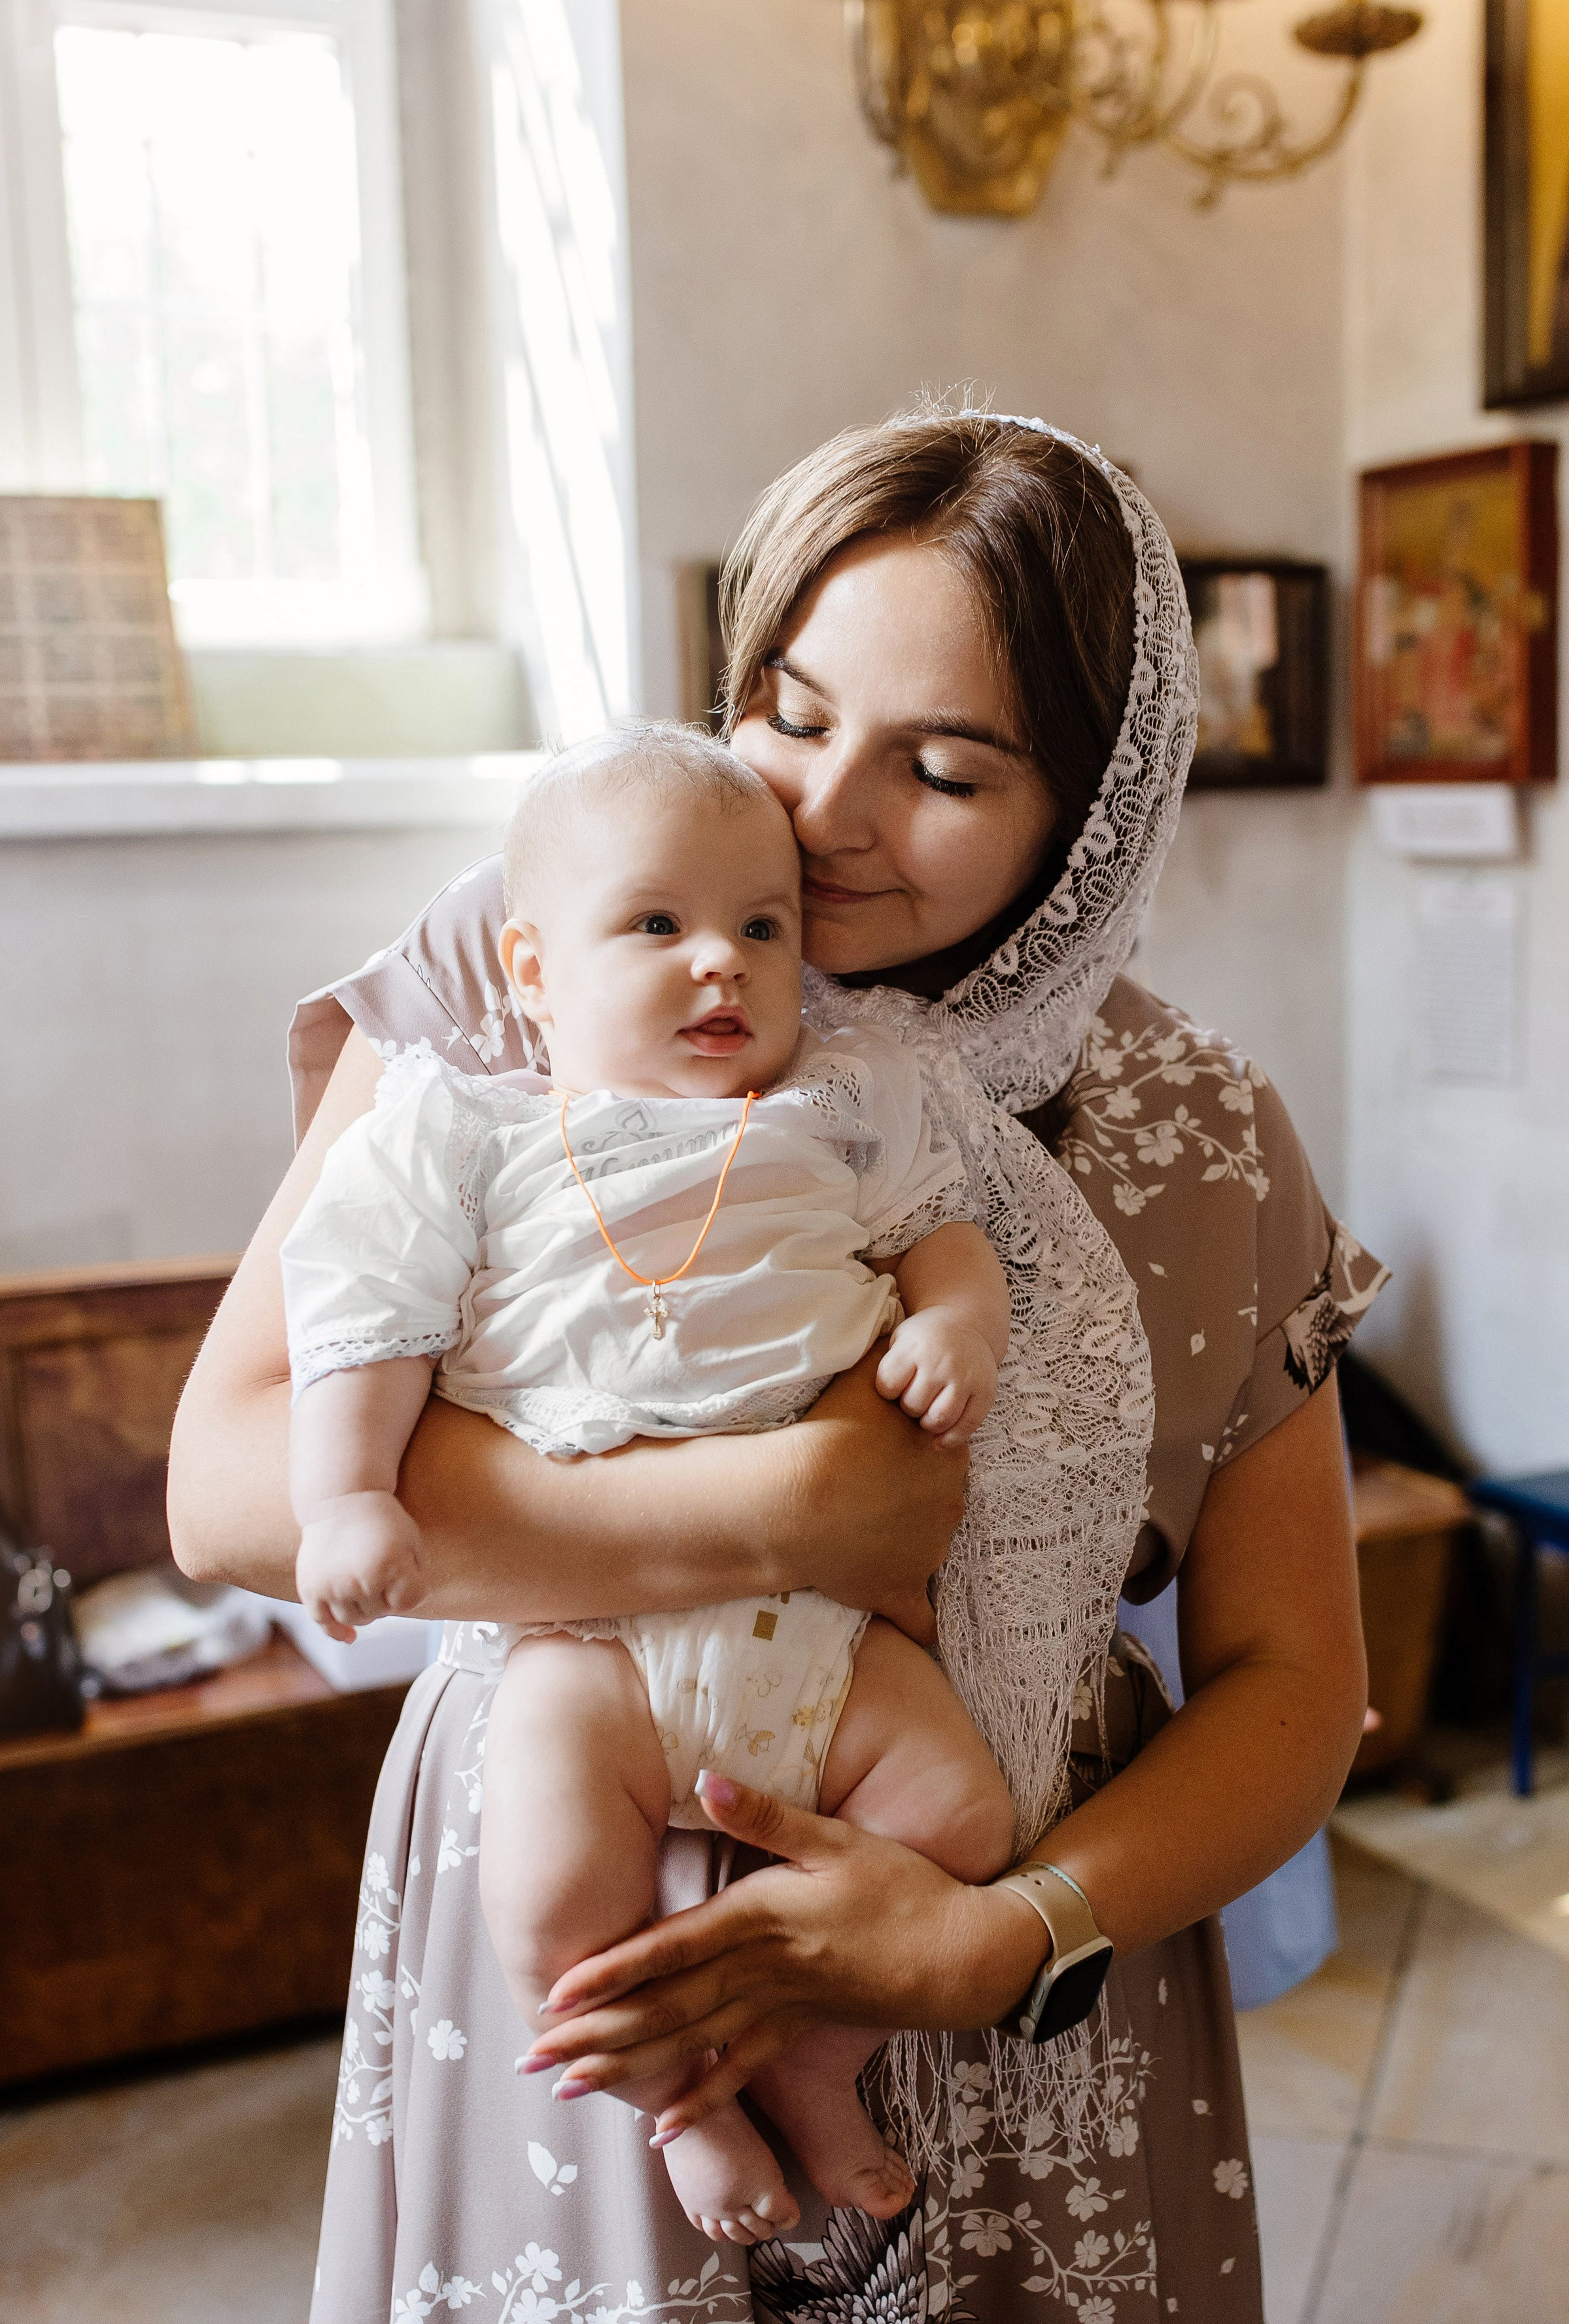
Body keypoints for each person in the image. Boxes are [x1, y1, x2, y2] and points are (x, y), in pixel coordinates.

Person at [169, 408, 1387, 2324]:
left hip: (1026, 1967)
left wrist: (998, 1939)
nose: (824, 814)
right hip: (583, 1951)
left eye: (947, 768)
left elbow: (1299, 1681)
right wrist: (800, 1506)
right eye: (791, 712)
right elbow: (232, 1483)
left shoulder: (1196, 1132)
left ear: (1090, 809)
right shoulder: (525, 983)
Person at [282, 721, 1018, 2242]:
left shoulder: (833, 1107)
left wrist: (955, 1322)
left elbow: (943, 1232)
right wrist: (350, 1495)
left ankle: (815, 2071)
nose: (723, 967)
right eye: (659, 925)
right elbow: (361, 1312)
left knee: (961, 1820)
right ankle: (680, 2101)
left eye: (763, 927)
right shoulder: (467, 1133)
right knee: (548, 1898)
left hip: (821, 1633)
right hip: (590, 1644)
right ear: (534, 971)